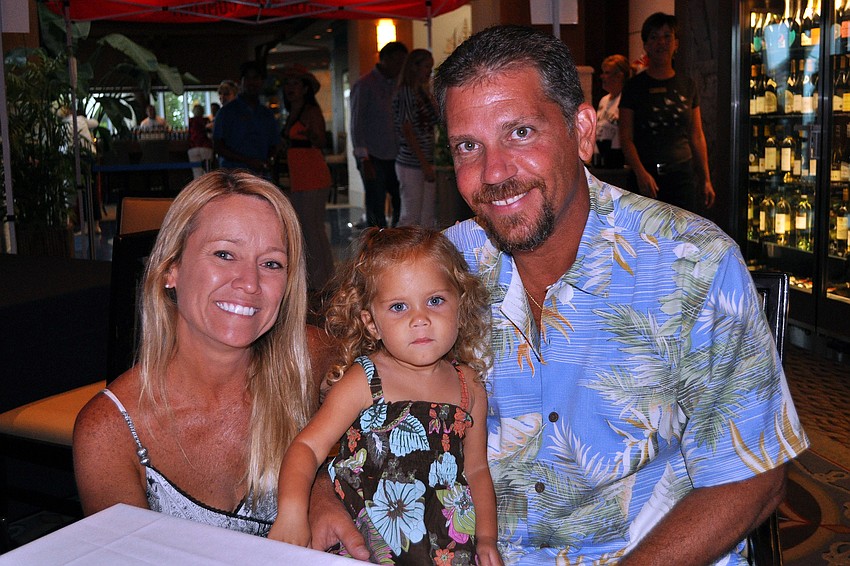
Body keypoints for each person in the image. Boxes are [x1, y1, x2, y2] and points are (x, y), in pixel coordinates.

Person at [311, 25, 810, 565]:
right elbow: (348, 388)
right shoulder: (438, 272)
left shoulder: (691, 263)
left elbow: (755, 477)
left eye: (520, 132)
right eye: (468, 146)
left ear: (581, 130)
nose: (494, 172)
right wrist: (320, 491)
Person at [73, 170, 317, 537]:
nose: (250, 283)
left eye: (271, 263)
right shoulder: (110, 433)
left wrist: (327, 491)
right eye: (224, 254)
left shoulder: (307, 362)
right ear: (171, 268)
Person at [269, 226, 502, 565]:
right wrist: (291, 512)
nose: (420, 319)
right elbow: (307, 447)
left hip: (447, 544)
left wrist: (486, 538)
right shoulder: (366, 380)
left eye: (435, 301)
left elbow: (478, 470)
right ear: (372, 323)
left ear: (460, 306)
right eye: (398, 307)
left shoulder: (470, 387)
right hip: (366, 541)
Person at [619, 12, 716, 213]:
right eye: (653, 37)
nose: (661, 42)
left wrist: (706, 179)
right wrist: (640, 173)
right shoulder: (633, 87)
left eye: (667, 36)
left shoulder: (688, 85)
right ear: (645, 46)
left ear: (676, 43)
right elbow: (625, 137)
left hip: (682, 177)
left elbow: (696, 135)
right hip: (646, 179)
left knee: (683, 239)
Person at [280, 65, 335, 292]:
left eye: (295, 83)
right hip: (298, 173)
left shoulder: (310, 111)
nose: (290, 88)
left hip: (312, 171)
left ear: (304, 88)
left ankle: (323, 278)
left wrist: (307, 134)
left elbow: (321, 140)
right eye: (287, 84)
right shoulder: (292, 112)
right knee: (304, 226)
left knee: (313, 227)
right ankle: (314, 277)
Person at [350, 41, 408, 227]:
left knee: (401, 200)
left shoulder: (397, 85)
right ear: (385, 60)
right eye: (397, 62)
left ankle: (397, 239)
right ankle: (377, 244)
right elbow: (357, 123)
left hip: (395, 154)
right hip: (373, 155)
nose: (400, 67)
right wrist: (364, 158)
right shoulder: (365, 85)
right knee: (376, 202)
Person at [394, 49, 440, 228]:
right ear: (415, 67)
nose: (429, 71)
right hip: (411, 161)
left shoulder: (421, 93)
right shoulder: (406, 92)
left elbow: (437, 119)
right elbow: (407, 129)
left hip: (424, 159)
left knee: (427, 216)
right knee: (411, 216)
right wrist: (423, 163)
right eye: (426, 67)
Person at [213, 62, 280, 178]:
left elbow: (274, 144)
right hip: (233, 177)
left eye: (255, 78)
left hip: (260, 176)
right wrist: (247, 161)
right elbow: (218, 146)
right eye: (247, 78)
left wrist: (268, 161)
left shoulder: (267, 114)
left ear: (262, 82)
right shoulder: (226, 112)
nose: (251, 83)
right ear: (241, 82)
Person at [594, 54, 630, 169]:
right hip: (602, 158)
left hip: (618, 160)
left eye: (607, 73)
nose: (602, 76)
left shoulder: (626, 100)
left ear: (619, 76)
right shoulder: (604, 101)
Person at [187, 103, 213, 179]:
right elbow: (210, 135)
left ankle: (199, 189)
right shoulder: (206, 120)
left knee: (196, 173)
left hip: (193, 148)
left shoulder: (191, 121)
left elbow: (189, 135)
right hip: (206, 147)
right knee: (207, 172)